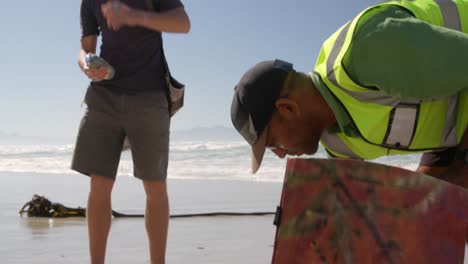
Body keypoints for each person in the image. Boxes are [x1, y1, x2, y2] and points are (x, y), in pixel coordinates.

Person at [230, 0, 467, 187]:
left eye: (273, 144)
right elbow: (442, 118)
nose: (281, 154)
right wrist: (426, 182)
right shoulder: (338, 144)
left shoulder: (367, 53)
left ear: (288, 108)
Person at [71, 0, 190, 263]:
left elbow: (183, 23)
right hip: (104, 95)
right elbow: (85, 49)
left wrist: (133, 15)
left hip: (150, 96)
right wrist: (87, 64)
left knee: (155, 186)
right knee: (99, 184)